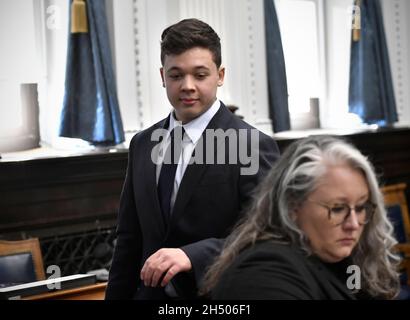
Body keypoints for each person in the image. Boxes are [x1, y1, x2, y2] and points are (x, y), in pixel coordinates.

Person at [105, 18, 280, 300]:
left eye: (200, 75)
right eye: (176, 75)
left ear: (220, 75)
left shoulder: (251, 144)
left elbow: (267, 237)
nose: (187, 86)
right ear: (162, 76)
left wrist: (191, 255)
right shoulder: (142, 143)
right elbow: (129, 239)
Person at [202, 135, 401, 299]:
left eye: (360, 207)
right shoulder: (263, 273)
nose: (354, 224)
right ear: (292, 206)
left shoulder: (346, 258)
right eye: (338, 209)